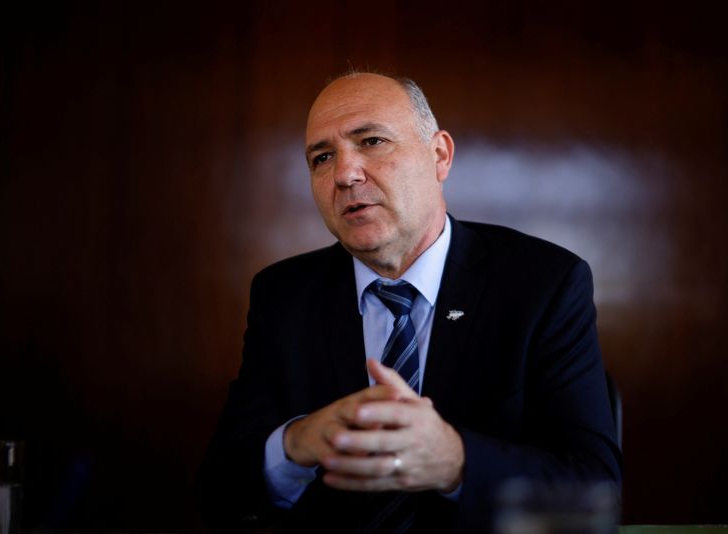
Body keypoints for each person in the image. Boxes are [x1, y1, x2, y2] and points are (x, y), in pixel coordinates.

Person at [196, 72, 622, 533]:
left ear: (439, 155)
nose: (345, 174)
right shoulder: (283, 296)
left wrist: (454, 462)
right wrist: (293, 444)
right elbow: (220, 490)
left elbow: (592, 488)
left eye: (372, 141)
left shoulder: (543, 284)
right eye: (322, 157)